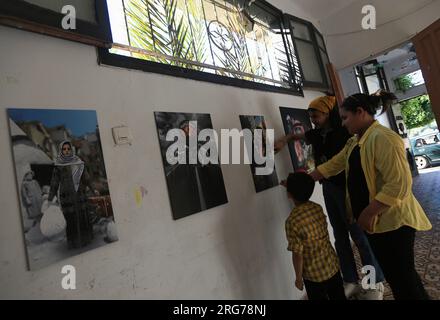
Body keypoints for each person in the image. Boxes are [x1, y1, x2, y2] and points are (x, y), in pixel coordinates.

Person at [310, 90, 432, 300]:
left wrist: (368, 213)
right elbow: (334, 164)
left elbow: (399, 185)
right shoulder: (355, 141)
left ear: (361, 112)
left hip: (394, 222)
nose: (343, 124)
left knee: (403, 279)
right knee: (398, 278)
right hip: (377, 224)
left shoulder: (384, 138)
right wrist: (307, 178)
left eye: (345, 118)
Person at [276, 95, 385, 299]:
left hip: (347, 189)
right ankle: (351, 280)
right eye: (311, 117)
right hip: (328, 188)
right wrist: (286, 139)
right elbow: (300, 136)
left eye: (316, 116)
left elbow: (343, 162)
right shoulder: (316, 134)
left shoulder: (345, 132)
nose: (313, 120)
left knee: (360, 236)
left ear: (328, 114)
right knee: (340, 236)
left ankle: (373, 283)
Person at [285, 172, 346, 300]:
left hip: (313, 275)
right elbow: (299, 188)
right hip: (331, 265)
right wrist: (290, 187)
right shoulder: (317, 208)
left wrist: (298, 278)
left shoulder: (292, 221)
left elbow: (297, 254)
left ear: (289, 194)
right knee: (339, 296)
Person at [48, 140, 95, 249]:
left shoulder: (78, 162)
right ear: (61, 150)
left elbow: (86, 178)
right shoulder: (58, 165)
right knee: (71, 219)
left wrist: (93, 189)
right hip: (67, 196)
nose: (66, 151)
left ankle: (86, 239)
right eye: (64, 149)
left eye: (68, 149)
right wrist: (50, 198)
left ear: (71, 149)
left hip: (79, 194)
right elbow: (54, 182)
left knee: (82, 216)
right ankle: (74, 242)